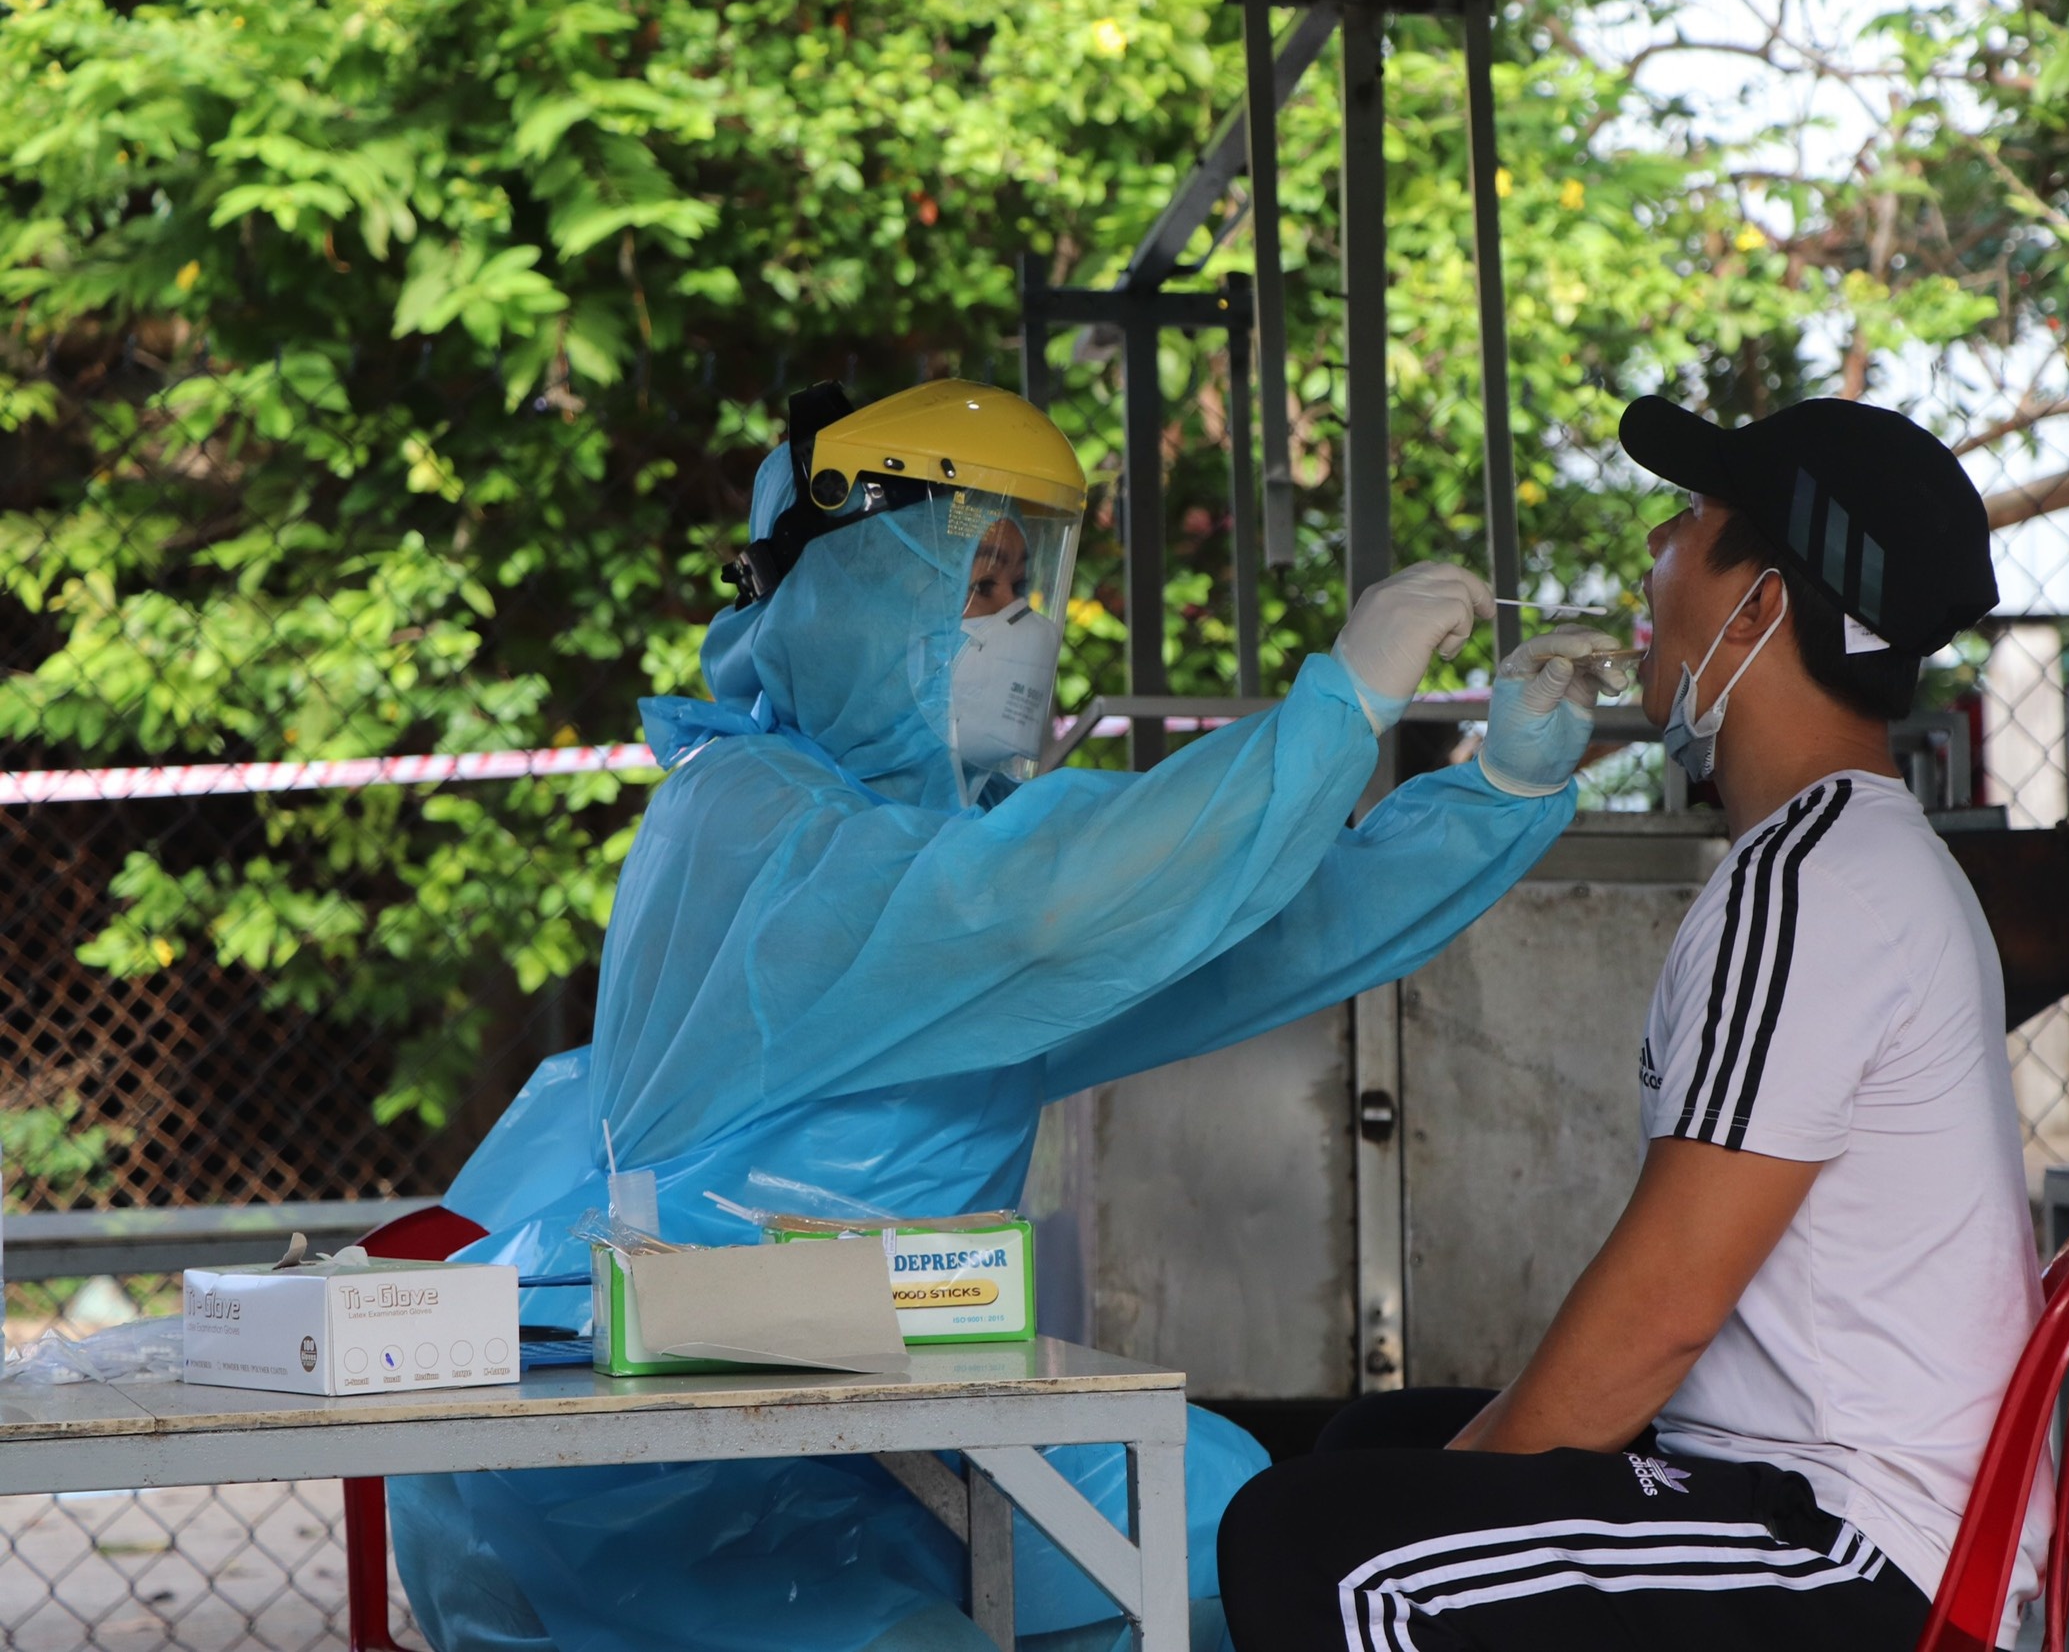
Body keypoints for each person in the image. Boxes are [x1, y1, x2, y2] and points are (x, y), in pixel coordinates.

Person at [387, 377, 1620, 1652]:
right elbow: (1033, 904)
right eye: (974, 587)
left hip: (887, 1418)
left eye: (1024, 585)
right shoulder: (745, 813)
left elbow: (1235, 942)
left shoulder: (930, 844)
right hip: (662, 1466)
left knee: (1237, 1534)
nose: (1016, 628)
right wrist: (1336, 706)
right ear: (853, 591)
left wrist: (1491, 790)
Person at [1219, 396, 2047, 1651]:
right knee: (1364, 1445)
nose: (1653, 548)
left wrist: (1456, 1493)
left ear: (1762, 604)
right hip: (1828, 1485)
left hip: (1856, 1548)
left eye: (1690, 519)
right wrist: (1442, 1472)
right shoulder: (1841, 853)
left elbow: (1659, 1312)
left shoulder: (1806, 884)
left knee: (1311, 1543)